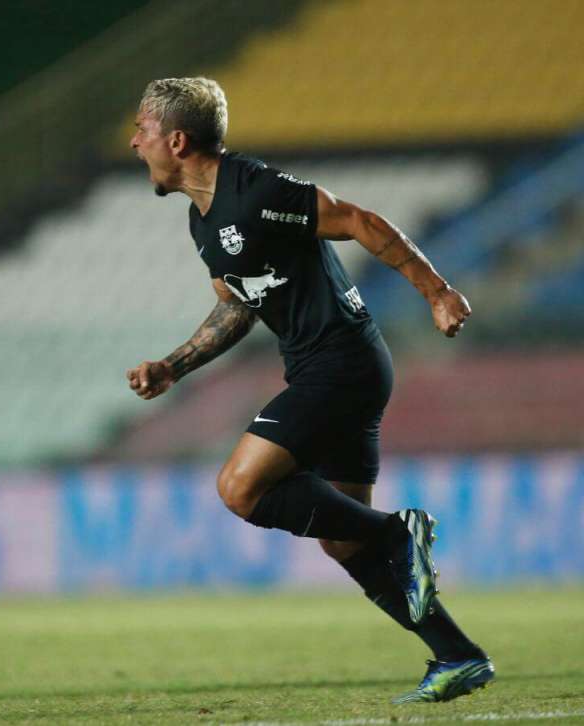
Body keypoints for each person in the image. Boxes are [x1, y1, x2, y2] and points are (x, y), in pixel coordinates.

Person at [126, 77, 494, 704]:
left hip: (341, 365)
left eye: (143, 130)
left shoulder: (256, 190)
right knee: (340, 537)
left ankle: (396, 534)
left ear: (177, 140)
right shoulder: (203, 219)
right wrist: (174, 365)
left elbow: (356, 219)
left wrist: (436, 291)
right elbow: (237, 306)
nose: (135, 142)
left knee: (240, 488)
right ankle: (457, 655)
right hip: (330, 369)